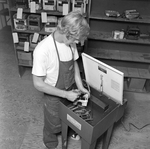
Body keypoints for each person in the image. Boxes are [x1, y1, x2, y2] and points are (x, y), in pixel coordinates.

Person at [32, 10, 90, 149]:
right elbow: (38, 83)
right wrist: (65, 94)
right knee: (53, 122)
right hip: (53, 94)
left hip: (70, 88)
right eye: (76, 39)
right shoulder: (43, 50)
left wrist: (80, 86)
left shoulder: (71, 43)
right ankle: (50, 141)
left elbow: (74, 63)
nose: (78, 42)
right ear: (67, 33)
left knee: (71, 115)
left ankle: (68, 130)